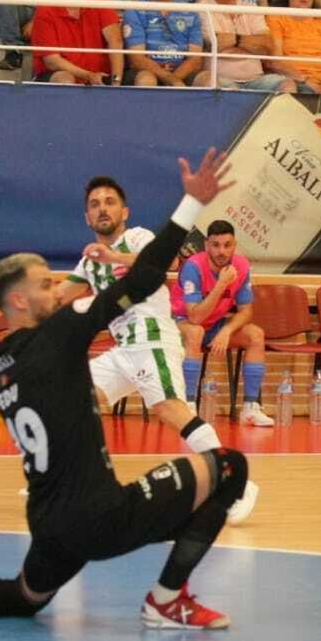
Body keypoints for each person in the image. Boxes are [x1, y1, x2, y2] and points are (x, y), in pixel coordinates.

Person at [0, 150, 247, 631]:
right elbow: (142, 276)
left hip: (49, 524)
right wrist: (191, 204)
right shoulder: (62, 337)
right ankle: (165, 602)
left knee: (23, 595)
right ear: (20, 300)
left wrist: (15, 314)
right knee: (229, 468)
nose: (56, 287)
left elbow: (48, 331)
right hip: (99, 517)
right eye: (44, 284)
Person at [52, 175, 259, 522]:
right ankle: (71, 483)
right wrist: (11, 303)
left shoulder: (138, 238)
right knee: (73, 398)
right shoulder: (88, 262)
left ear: (124, 211)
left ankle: (238, 483)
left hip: (152, 340)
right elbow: (59, 296)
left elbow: (156, 261)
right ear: (87, 218)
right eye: (94, 204)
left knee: (170, 410)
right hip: (123, 349)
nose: (102, 208)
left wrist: (114, 255)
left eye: (109, 202)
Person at [175, 221, 275, 427]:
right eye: (216, 245)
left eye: (227, 245)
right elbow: (194, 317)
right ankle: (188, 406)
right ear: (206, 245)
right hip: (179, 323)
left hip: (213, 325)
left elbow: (246, 310)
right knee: (195, 332)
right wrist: (221, 284)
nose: (221, 251)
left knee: (255, 334)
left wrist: (227, 330)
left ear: (235, 245)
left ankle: (250, 407)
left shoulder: (242, 265)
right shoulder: (193, 266)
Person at [197, 0, 295, 91]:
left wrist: (235, 40)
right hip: (221, 78)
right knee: (225, 89)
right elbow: (216, 42)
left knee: (287, 85)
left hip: (256, 79)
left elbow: (266, 44)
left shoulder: (251, 7)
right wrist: (250, 42)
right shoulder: (201, 7)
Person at [29, 0, 125, 84]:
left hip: (101, 75)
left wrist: (116, 81)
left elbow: (115, 41)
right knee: (65, 79)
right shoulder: (46, 8)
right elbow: (52, 61)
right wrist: (88, 75)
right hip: (59, 74)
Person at [122, 0, 204, 86]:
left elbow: (195, 59)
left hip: (181, 73)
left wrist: (174, 79)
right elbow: (136, 59)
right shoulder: (135, 10)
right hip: (145, 71)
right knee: (146, 80)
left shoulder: (191, 11)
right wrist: (171, 80)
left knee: (207, 79)